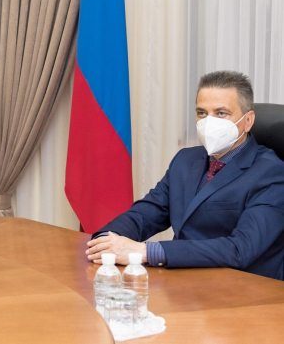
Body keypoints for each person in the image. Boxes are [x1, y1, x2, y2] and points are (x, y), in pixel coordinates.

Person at [85, 71, 284, 280]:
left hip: (244, 289)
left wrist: (146, 251)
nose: (209, 122)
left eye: (221, 113)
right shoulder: (185, 160)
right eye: (202, 113)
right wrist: (108, 239)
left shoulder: (272, 172)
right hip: (184, 281)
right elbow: (147, 212)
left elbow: (240, 249)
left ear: (248, 121)